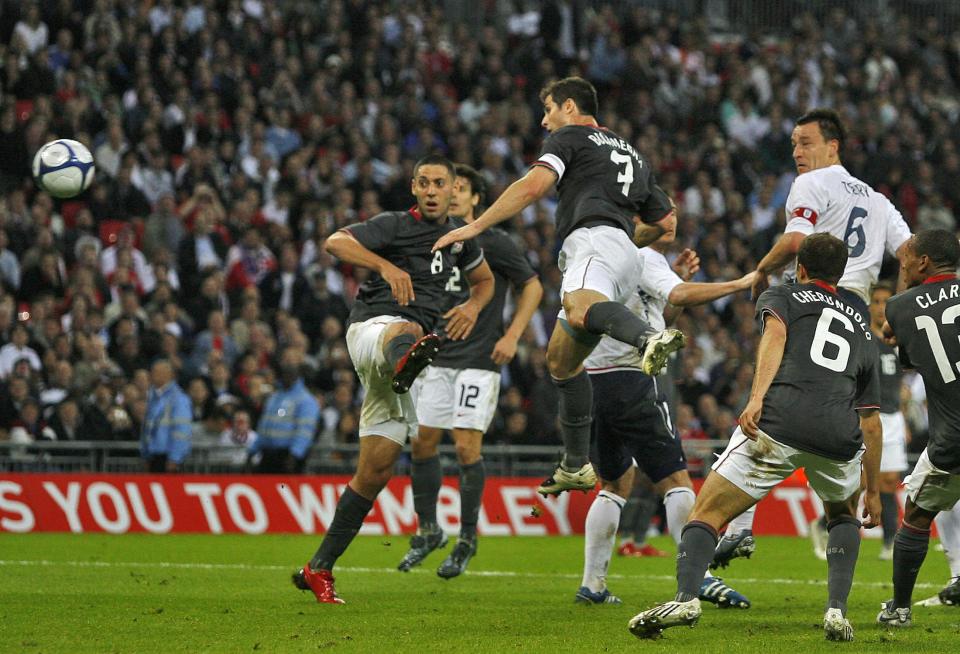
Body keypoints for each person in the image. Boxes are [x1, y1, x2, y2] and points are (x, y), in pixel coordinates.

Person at [434, 76, 683, 497]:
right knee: (561, 362)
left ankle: (648, 339)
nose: (545, 120)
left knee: (581, 307)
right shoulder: (634, 154)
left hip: (593, 242)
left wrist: (475, 225)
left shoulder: (571, 136)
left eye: (548, 109)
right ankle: (574, 465)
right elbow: (667, 224)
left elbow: (534, 185)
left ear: (569, 107)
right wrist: (624, 238)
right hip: (621, 253)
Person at [629, 233, 882, 642]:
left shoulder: (785, 296)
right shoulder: (859, 316)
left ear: (800, 269)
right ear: (840, 275)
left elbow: (776, 337)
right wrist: (871, 490)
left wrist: (756, 398)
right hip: (840, 434)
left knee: (706, 513)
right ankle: (836, 611)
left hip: (781, 423)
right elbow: (870, 417)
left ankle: (687, 597)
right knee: (843, 516)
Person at [292, 155, 495, 604]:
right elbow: (335, 241)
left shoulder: (460, 239)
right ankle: (407, 362)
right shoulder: (394, 226)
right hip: (371, 332)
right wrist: (385, 266)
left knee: (376, 469)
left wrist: (473, 307)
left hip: (398, 362)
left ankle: (318, 568)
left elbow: (485, 282)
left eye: (439, 183)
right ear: (413, 188)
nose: (430, 190)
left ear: (452, 188)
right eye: (423, 182)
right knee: (408, 329)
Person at [719, 107, 911, 562]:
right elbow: (911, 254)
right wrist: (894, 314)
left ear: (833, 146)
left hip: (812, 307)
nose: (797, 152)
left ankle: (742, 524)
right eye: (792, 144)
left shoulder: (811, 185)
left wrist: (759, 273)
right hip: (858, 320)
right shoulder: (880, 202)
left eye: (805, 142)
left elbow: (793, 243)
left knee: (767, 395)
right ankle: (843, 533)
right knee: (848, 418)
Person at [576, 205, 755, 607]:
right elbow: (677, 296)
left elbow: (659, 310)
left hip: (595, 379)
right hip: (635, 377)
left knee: (613, 486)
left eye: (673, 212)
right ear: (637, 221)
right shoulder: (644, 256)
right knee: (676, 481)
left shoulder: (607, 254)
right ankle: (703, 577)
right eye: (660, 213)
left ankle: (593, 585)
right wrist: (739, 282)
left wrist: (678, 282)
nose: (671, 219)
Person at [398, 164, 543, 578]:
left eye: (462, 189)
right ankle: (428, 530)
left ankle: (466, 538)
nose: (455, 194)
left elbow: (531, 286)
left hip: (478, 362)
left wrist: (514, 335)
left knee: (465, 448)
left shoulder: (493, 241)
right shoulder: (433, 240)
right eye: (451, 188)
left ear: (477, 199)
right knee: (422, 443)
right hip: (436, 359)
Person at [877, 230, 960, 627]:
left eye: (906, 258)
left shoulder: (899, 306)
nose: (903, 264)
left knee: (916, 516)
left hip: (952, 439)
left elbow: (909, 357)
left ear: (924, 261)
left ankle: (900, 610)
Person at [868, 282, 911, 561]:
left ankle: (888, 542)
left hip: (893, 417)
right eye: (877, 301)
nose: (882, 307)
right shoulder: (863, 339)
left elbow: (902, 386)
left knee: (890, 481)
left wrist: (904, 419)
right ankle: (825, 525)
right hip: (870, 415)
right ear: (869, 305)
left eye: (886, 301)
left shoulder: (896, 340)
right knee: (863, 480)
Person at [248, 346, 320, 473]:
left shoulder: (305, 400)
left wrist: (294, 455)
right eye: (285, 361)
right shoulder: (274, 397)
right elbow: (263, 426)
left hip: (287, 457)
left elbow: (304, 431)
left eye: (291, 362)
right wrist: (253, 450)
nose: (287, 367)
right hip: (267, 455)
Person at [141, 359, 192, 472]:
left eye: (156, 372)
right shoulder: (153, 397)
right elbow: (147, 428)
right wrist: (145, 454)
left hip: (167, 457)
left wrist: (175, 457)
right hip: (153, 456)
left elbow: (182, 431)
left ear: (168, 374)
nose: (152, 375)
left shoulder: (179, 399)